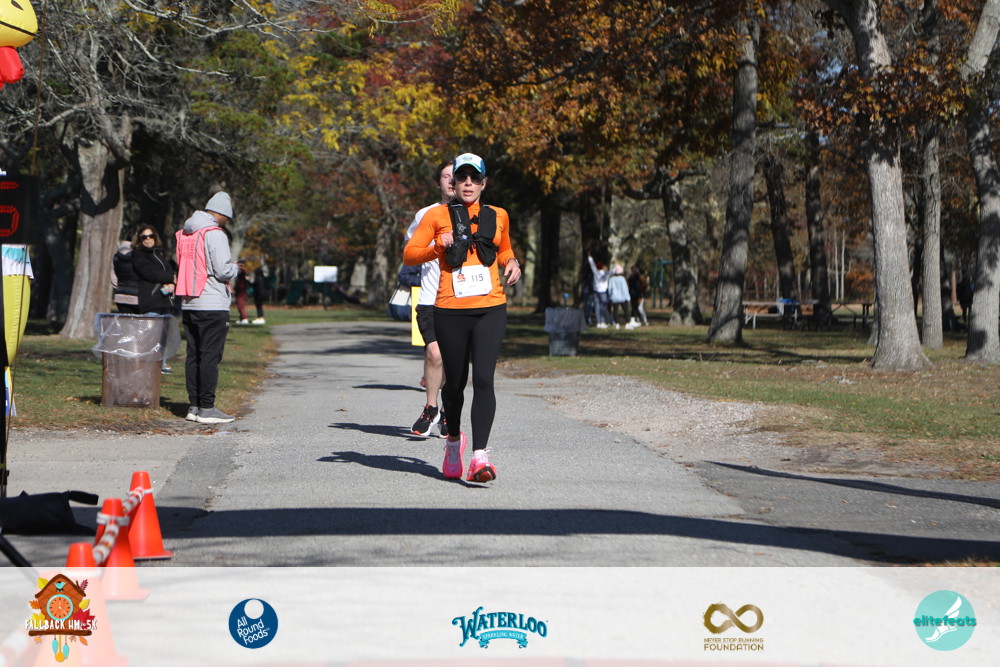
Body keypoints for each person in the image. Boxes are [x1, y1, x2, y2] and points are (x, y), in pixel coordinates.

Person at [403, 153, 521, 482]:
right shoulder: (436, 215)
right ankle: (453, 442)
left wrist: (512, 262)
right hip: (450, 310)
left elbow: (505, 249)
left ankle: (480, 457)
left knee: (483, 379)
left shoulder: (498, 215)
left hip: (490, 308)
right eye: (462, 178)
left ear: (484, 183)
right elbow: (409, 254)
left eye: (474, 178)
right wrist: (436, 247)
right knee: (454, 385)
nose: (468, 184)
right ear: (453, 183)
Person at [175, 191, 240, 424]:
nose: (226, 222)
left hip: (189, 301)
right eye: (227, 218)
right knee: (210, 355)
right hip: (212, 302)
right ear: (222, 214)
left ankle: (194, 406)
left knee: (194, 355)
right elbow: (222, 270)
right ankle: (207, 407)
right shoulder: (214, 233)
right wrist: (236, 268)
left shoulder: (185, 233)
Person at [405, 160, 454, 438]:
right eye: (446, 176)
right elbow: (411, 251)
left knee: (451, 358)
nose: (452, 181)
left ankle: (446, 411)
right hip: (430, 297)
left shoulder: (476, 214)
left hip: (461, 300)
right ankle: (431, 407)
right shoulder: (425, 214)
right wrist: (436, 246)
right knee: (434, 353)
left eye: (456, 176)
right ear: (438, 183)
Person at [131, 225, 178, 373]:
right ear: (139, 240)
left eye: (150, 236)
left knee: (163, 335)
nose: (148, 239)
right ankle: (147, 365)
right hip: (151, 301)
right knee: (150, 335)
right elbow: (149, 273)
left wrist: (171, 284)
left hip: (164, 300)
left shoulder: (159, 254)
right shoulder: (138, 255)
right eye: (144, 237)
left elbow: (168, 270)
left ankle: (161, 364)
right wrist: (171, 278)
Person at [111, 240, 140, 314]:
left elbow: (113, 279)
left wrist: (119, 287)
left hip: (120, 296)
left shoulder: (116, 257)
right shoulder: (138, 256)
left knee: (125, 320)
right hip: (136, 296)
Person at [587, 253, 611, 328]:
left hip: (595, 291)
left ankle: (598, 322)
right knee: (603, 306)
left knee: (597, 306)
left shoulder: (596, 272)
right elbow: (612, 272)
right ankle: (602, 321)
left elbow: (592, 265)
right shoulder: (605, 274)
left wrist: (590, 258)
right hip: (602, 291)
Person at [233, 259, 250, 324]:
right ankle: (242, 318)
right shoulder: (241, 274)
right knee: (239, 304)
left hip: (241, 292)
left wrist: (235, 265)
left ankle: (244, 318)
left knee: (241, 305)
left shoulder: (241, 272)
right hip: (240, 292)